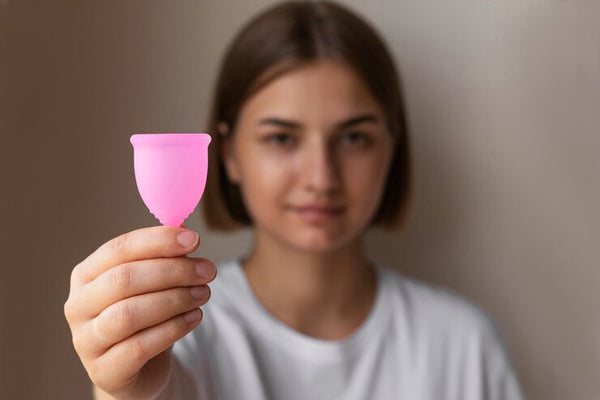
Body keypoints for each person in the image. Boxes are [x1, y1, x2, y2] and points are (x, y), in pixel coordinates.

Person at [64, 1, 524, 399]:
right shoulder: (179, 328)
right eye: (282, 138)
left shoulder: (463, 345)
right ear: (228, 154)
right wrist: (121, 390)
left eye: (354, 137)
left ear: (392, 147)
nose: (321, 177)